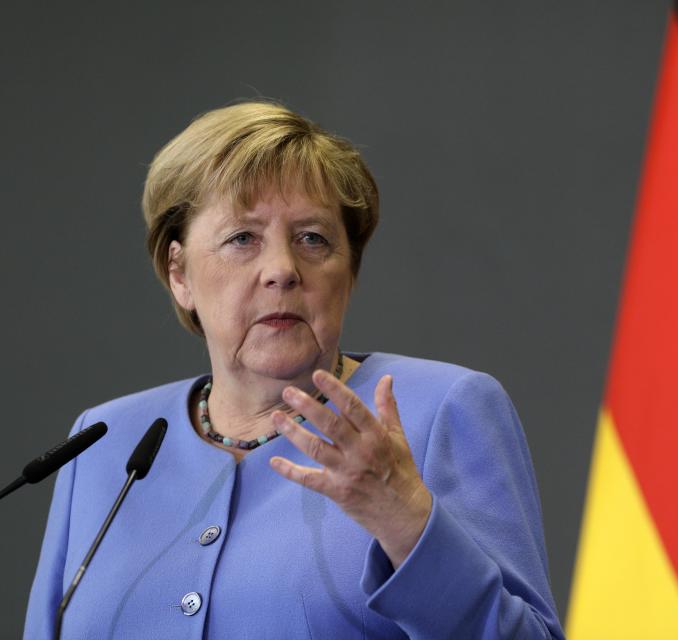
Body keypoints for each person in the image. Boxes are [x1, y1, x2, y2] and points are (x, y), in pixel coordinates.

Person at [25, 101, 564, 639]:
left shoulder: (439, 410)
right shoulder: (104, 440)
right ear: (179, 272)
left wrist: (407, 524)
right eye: (243, 238)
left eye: (313, 238)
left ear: (348, 273)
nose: (282, 269)